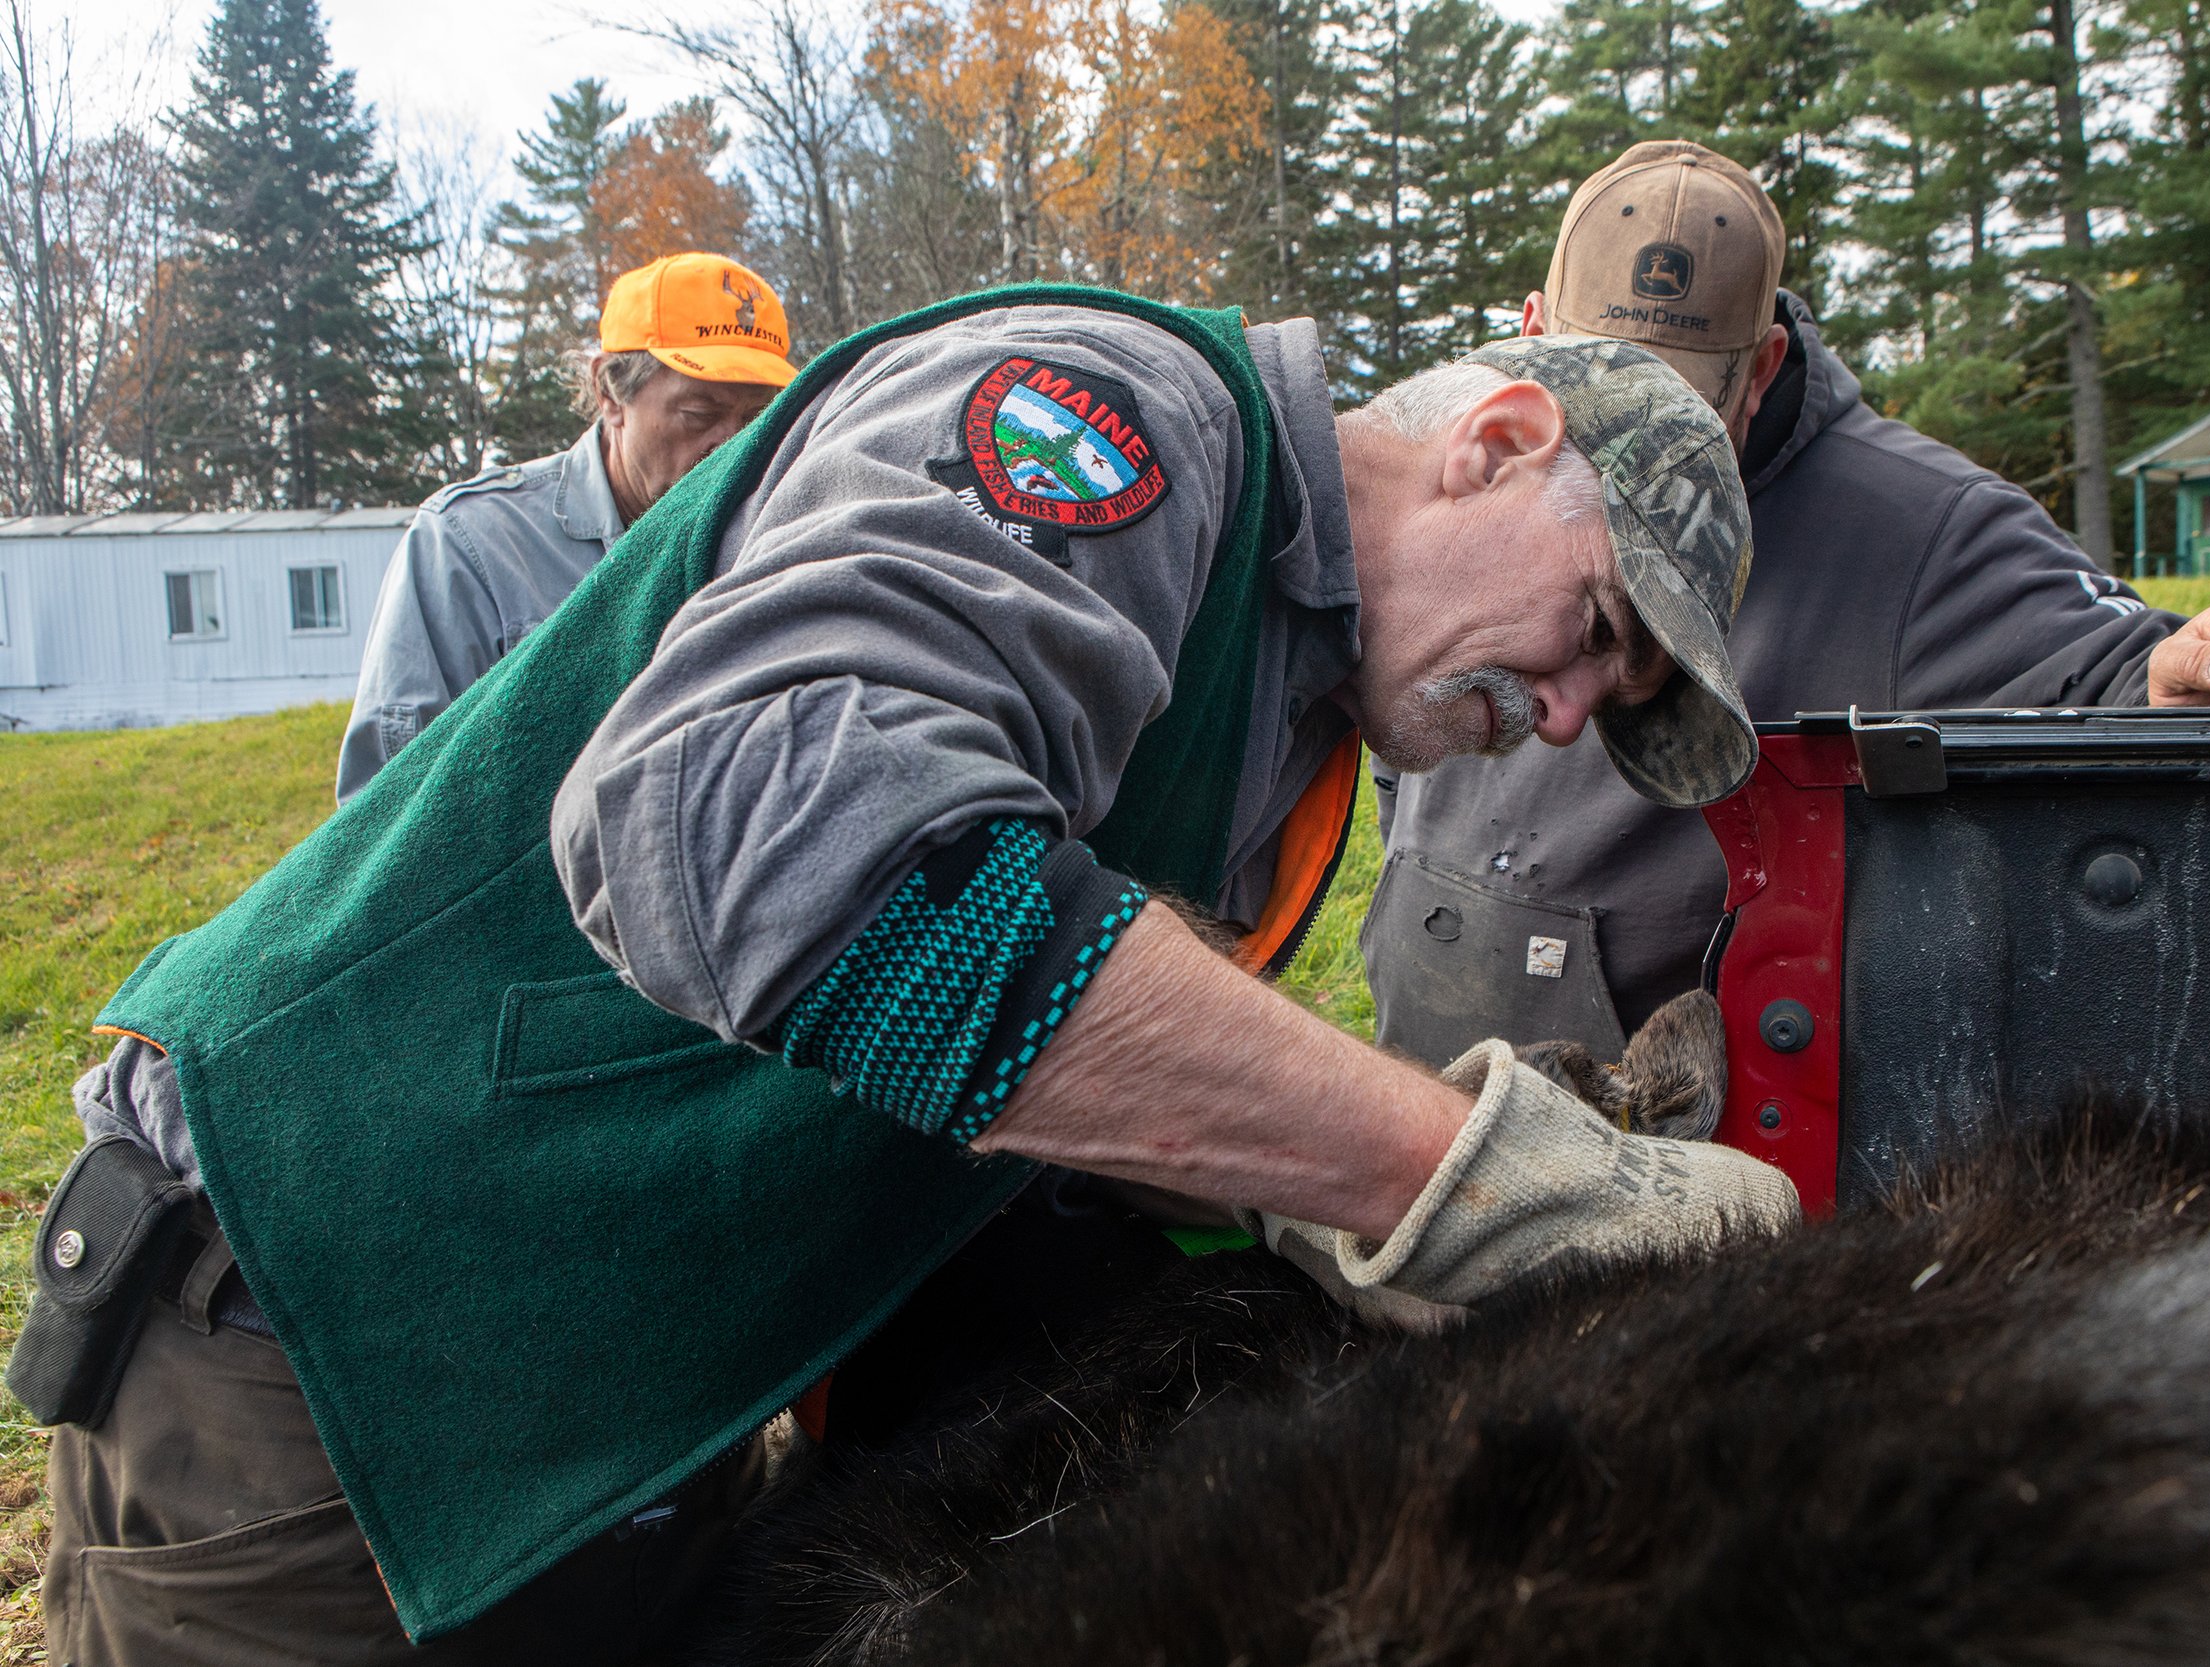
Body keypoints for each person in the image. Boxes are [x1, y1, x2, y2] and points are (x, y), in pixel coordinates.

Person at [33, 294, 1798, 1663]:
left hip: (623, 1378)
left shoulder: (1291, 728)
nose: (1568, 718)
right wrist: (1447, 1172)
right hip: (328, 1323)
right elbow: (743, 826)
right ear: (1499, 437)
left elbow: (1044, 1046)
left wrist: (1294, 1206)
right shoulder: (1117, 418)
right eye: (1596, 634)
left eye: (1607, 712)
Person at [1364, 140, 2210, 1068]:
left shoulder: (1921, 530)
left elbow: (2117, 686)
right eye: (1598, 392)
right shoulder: (1452, 470)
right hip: (1412, 1076)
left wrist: (2208, 662)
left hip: (1633, 1164)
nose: (1631, 452)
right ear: (1529, 329)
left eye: (1682, 411)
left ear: (1762, 369)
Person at [335, 251, 796, 801]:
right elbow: (382, 814)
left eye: (758, 419)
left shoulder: (782, 534)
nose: (736, 444)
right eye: (699, 414)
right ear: (610, 392)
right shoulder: (473, 543)